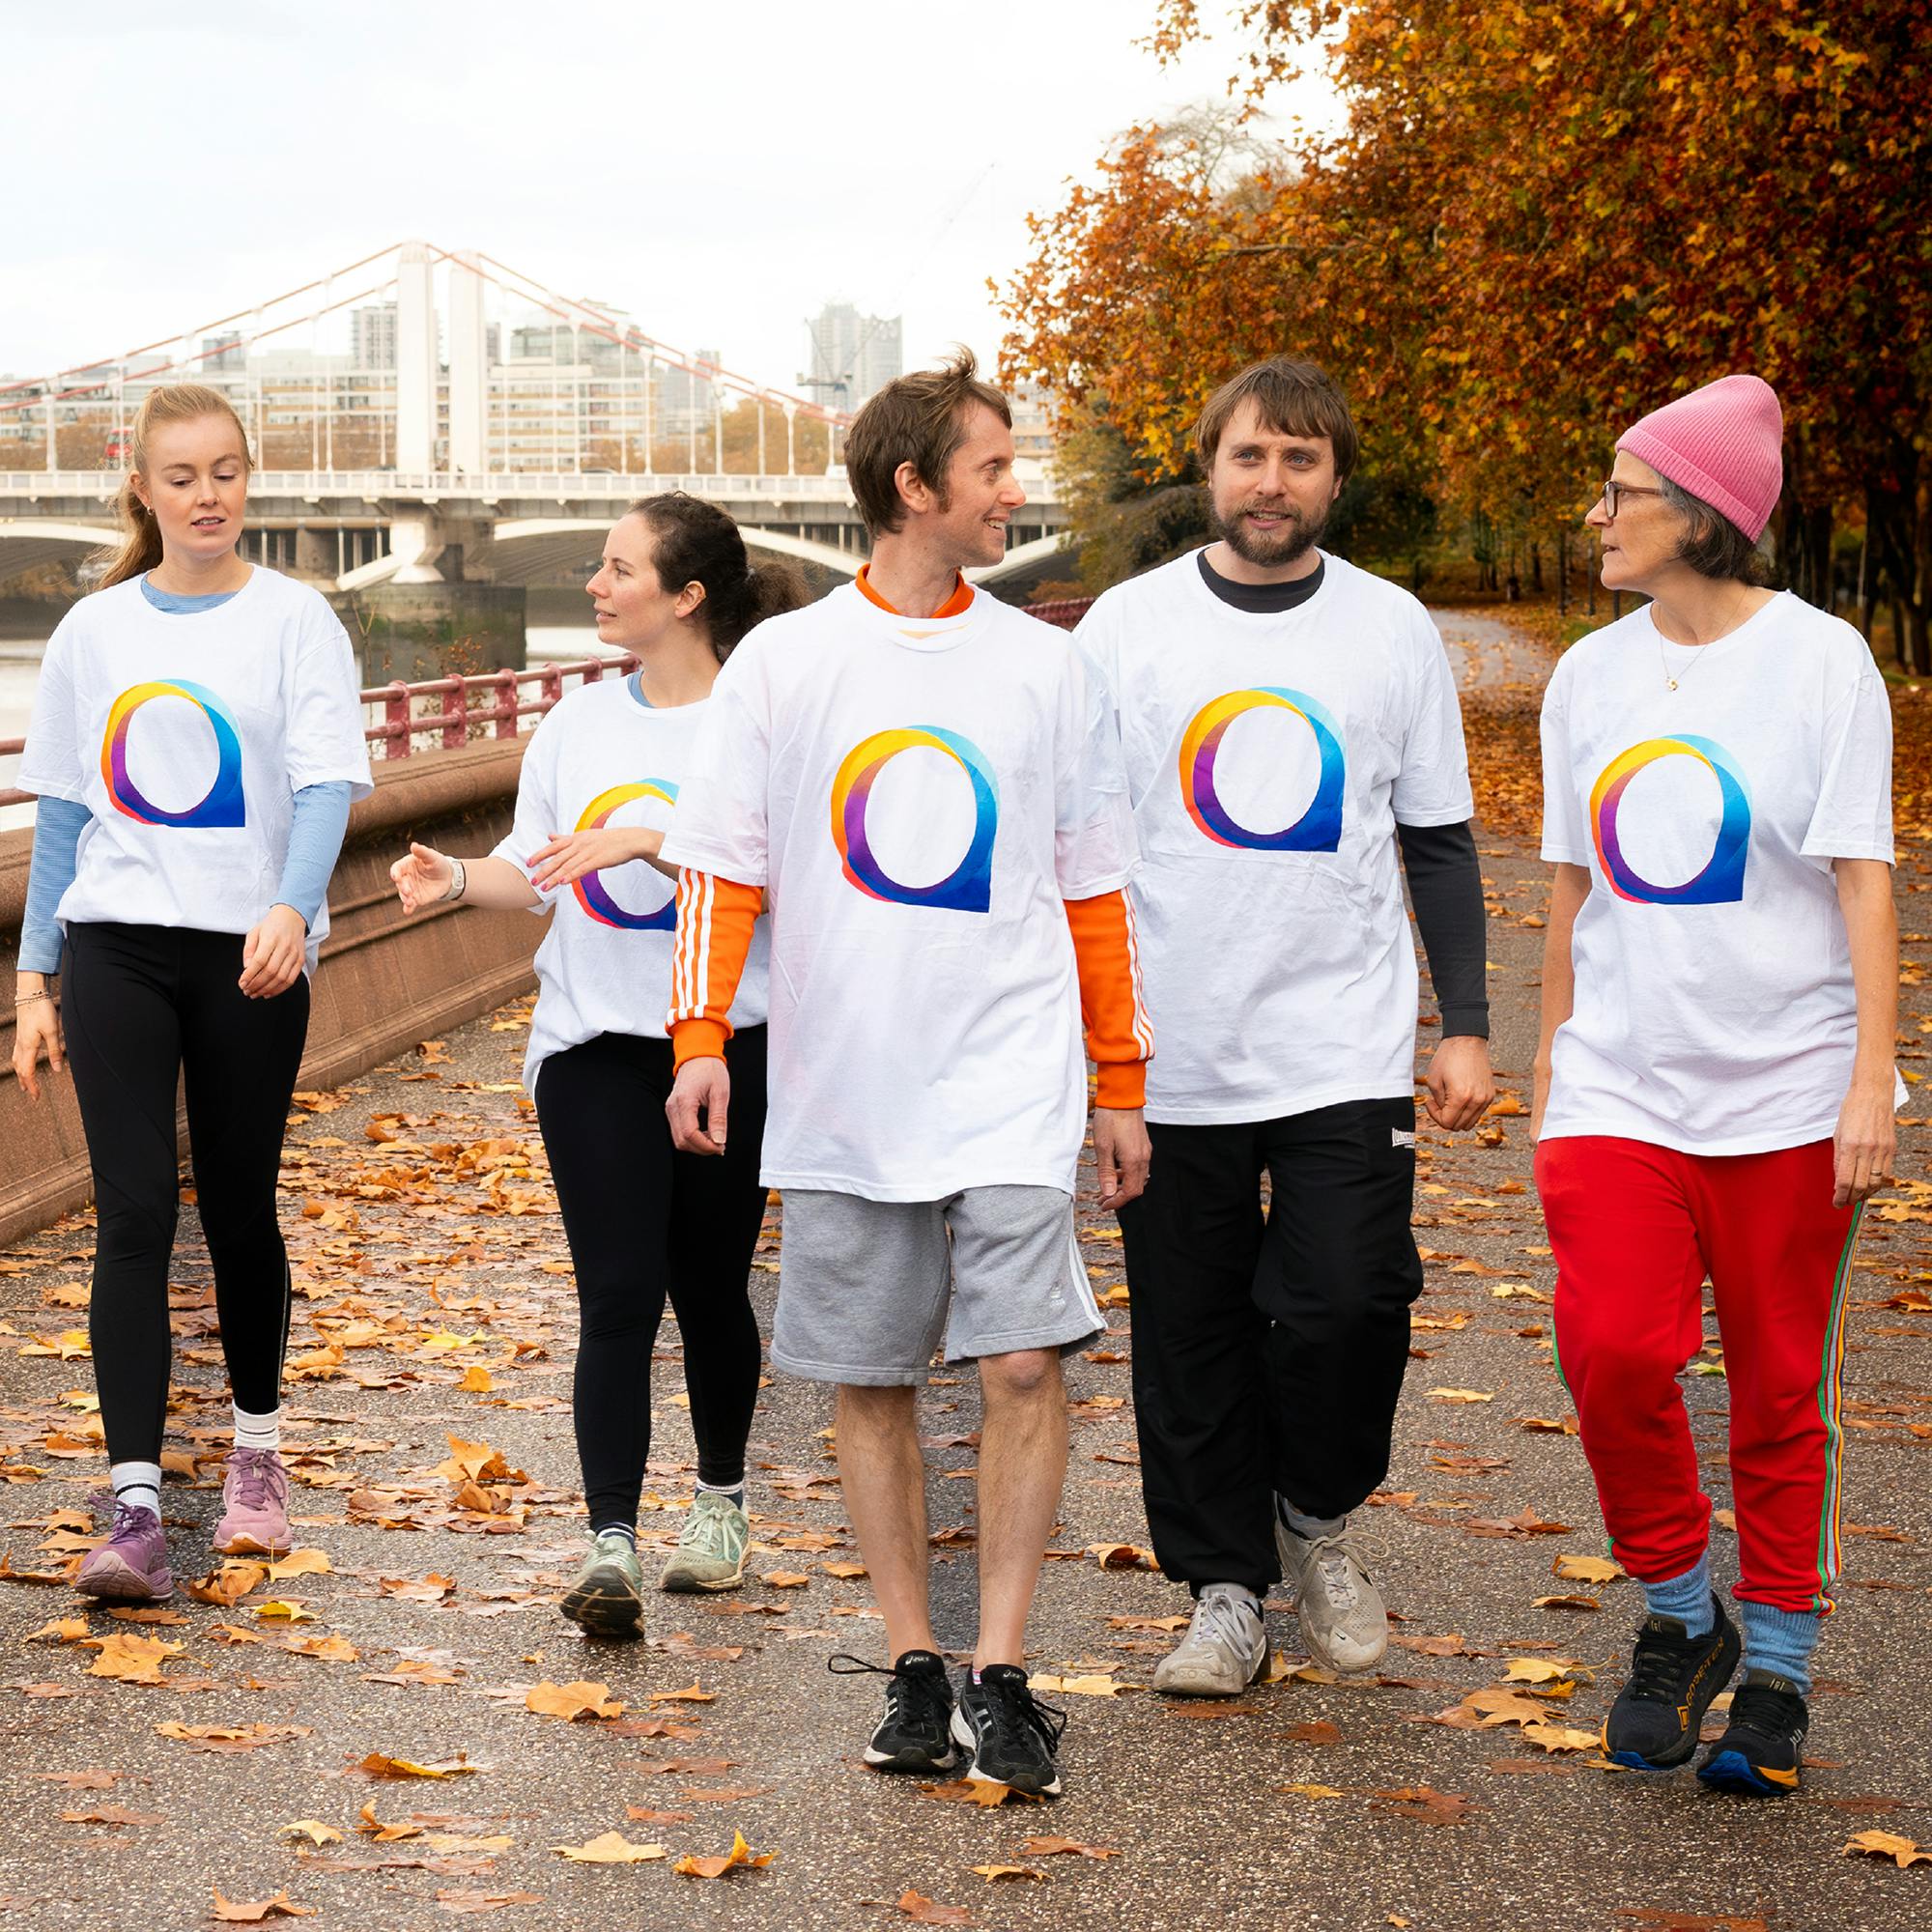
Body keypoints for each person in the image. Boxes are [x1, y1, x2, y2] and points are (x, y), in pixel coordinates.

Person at [658, 352, 1151, 1797]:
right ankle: (911, 1665)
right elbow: (718, 866)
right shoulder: (788, 663)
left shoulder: (1048, 666)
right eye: (994, 469)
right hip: (844, 1090)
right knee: (869, 1375)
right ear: (913, 489)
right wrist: (699, 1045)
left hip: (1010, 1075)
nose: (1016, 491)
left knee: (1017, 1359)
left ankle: (1003, 1673)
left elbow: (1095, 886)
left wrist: (1118, 1079)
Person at [1075, 356, 1493, 1695]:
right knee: (1188, 1334)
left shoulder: (1391, 630)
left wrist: (1467, 1023)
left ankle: (1313, 1513)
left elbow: (1435, 838)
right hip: (1168, 1048)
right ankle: (1222, 1594)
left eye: (1301, 459)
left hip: (1341, 1045)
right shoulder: (1125, 633)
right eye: (1252, 456)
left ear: (1332, 477)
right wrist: (1088, 1051)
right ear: (1211, 468)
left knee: (1348, 1302)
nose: (1273, 482)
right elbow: (1071, 847)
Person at [1533, 374, 1896, 1796]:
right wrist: (1560, 1062)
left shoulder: (1823, 663)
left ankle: (1783, 1675)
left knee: (1778, 1383)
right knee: (1614, 1353)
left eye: (1620, 491)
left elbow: (1864, 876)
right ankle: (1684, 1612)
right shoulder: (1588, 675)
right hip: (1620, 1082)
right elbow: (1570, 878)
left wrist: (1874, 1073)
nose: (1598, 515)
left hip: (1791, 1091)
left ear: (1700, 513)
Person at [390, 495, 800, 1637]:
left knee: (709, 1284)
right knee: (616, 1290)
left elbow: (775, 869)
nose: (596, 584)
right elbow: (540, 864)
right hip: (591, 1045)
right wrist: (460, 878)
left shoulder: (756, 719)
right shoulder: (576, 721)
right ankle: (609, 1541)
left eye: (619, 569)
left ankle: (719, 1503)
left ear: (686, 596)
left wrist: (645, 838)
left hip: (726, 1040)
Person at [13, 383, 372, 1600]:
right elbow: (64, 810)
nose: (207, 495)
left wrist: (288, 905)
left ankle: (256, 1463)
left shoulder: (296, 619)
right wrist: (34, 979)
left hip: (248, 951)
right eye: (182, 476)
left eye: (225, 471)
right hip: (115, 941)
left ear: (246, 478)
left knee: (237, 1204)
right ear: (143, 489)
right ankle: (131, 1506)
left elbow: (325, 785)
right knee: (129, 1215)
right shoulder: (95, 630)